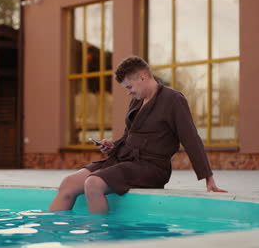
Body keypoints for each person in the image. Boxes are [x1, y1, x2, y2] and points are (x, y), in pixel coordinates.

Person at [49, 56, 227, 213]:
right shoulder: (136, 101)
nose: (128, 92)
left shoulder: (173, 100)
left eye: (129, 86)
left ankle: (101, 241)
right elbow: (129, 136)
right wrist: (113, 145)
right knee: (68, 183)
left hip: (151, 168)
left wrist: (208, 178)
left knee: (93, 184)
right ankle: (49, 233)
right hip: (124, 160)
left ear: (142, 77)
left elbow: (191, 139)